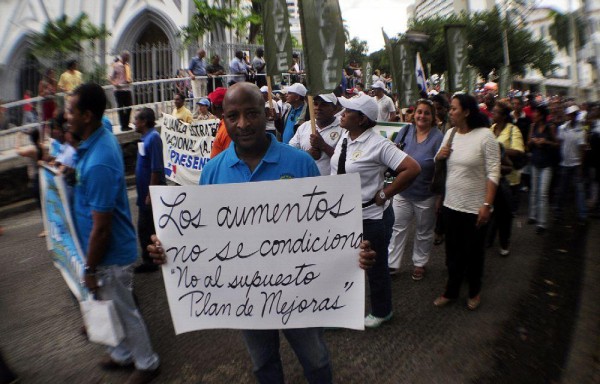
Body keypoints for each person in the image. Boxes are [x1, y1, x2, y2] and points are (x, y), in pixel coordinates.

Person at [148, 82, 376, 384]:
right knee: (263, 364)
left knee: (317, 360)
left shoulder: (300, 164)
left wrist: (355, 254)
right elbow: (200, 239)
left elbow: (332, 232)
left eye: (252, 114)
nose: (243, 124)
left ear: (266, 113)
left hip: (301, 293)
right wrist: (168, 248)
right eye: (233, 116)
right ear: (223, 118)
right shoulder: (213, 171)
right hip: (246, 296)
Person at [67, 83, 160, 383]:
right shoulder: (95, 142)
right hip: (103, 252)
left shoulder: (100, 160)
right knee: (112, 308)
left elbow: (102, 227)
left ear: (87, 115)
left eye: (71, 111)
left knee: (125, 310)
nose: (66, 116)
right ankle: (122, 354)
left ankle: (147, 362)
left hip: (110, 255)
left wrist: (91, 267)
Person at [330, 94, 421, 328]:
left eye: (348, 111)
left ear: (361, 119)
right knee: (341, 262)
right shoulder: (344, 136)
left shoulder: (378, 144)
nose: (341, 113)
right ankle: (338, 309)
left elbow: (411, 168)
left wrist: (384, 194)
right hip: (340, 214)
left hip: (368, 217)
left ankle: (382, 310)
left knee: (375, 265)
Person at [433, 93, 500, 311]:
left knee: (473, 253)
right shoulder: (451, 133)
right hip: (451, 205)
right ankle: (451, 291)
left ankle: (474, 291)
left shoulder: (485, 136)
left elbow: (493, 172)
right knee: (452, 253)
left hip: (474, 208)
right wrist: (440, 155)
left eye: (454, 109)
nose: (450, 112)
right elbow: (439, 161)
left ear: (467, 112)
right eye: (450, 108)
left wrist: (487, 205)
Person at [387, 99, 444, 279]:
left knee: (424, 231)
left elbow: (442, 169)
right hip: (402, 190)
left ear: (433, 117)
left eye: (427, 113)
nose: (422, 116)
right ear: (414, 114)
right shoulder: (405, 130)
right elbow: (394, 153)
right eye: (419, 112)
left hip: (426, 194)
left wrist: (440, 196)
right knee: (397, 227)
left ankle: (419, 263)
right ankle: (392, 263)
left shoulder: (438, 138)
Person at [488, 100, 524, 255]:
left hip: (508, 179)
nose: (492, 114)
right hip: (491, 177)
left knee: (505, 214)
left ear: (503, 116)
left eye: (495, 112)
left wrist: (499, 149)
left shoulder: (512, 130)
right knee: (490, 209)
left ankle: (504, 242)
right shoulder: (490, 129)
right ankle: (489, 238)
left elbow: (518, 151)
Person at [132, 107, 165, 274]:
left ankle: (150, 261)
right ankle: (151, 257)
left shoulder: (154, 138)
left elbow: (156, 168)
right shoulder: (145, 138)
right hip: (144, 193)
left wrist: (151, 192)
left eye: (136, 120)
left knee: (145, 228)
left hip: (150, 194)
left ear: (144, 121)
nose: (133, 123)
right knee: (148, 227)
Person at [289, 93, 343, 176]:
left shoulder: (343, 128)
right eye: (315, 104)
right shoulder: (304, 127)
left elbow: (346, 160)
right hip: (307, 181)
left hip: (332, 184)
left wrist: (323, 146)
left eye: (324, 105)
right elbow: (290, 152)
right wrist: (307, 154)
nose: (318, 108)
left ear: (335, 108)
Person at [555, 105, 587, 223]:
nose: (571, 117)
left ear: (576, 116)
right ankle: (558, 211)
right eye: (570, 115)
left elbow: (582, 149)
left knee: (579, 190)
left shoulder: (581, 131)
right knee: (562, 189)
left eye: (573, 115)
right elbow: (560, 142)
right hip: (564, 164)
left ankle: (582, 214)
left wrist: (581, 167)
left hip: (576, 164)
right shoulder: (562, 128)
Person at [109, 50, 133, 132]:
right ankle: (123, 126)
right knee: (121, 108)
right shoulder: (116, 65)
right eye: (127, 57)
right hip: (119, 90)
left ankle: (127, 124)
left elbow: (129, 76)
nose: (128, 58)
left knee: (129, 107)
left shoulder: (127, 66)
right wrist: (115, 83)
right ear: (123, 57)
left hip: (127, 89)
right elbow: (110, 77)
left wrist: (130, 80)